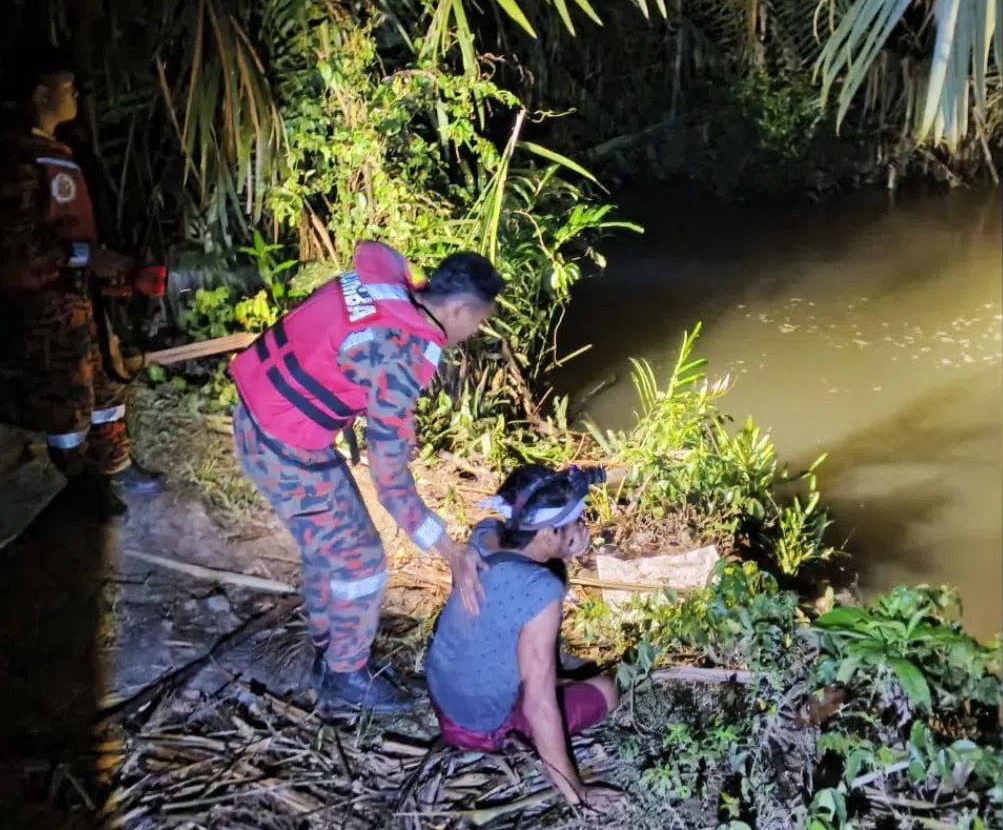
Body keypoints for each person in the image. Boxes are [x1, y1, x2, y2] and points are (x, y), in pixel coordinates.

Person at [229, 240, 504, 713]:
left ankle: (324, 644)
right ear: (458, 308)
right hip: (283, 447)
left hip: (261, 416)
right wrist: (451, 553)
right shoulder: (397, 358)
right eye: (477, 321)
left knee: (330, 543)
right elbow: (392, 485)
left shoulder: (378, 285)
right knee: (362, 563)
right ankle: (345, 679)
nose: (474, 331)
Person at [0, 48, 165, 514]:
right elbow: (15, 251)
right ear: (38, 93)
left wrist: (112, 271)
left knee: (106, 386)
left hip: (80, 298)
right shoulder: (14, 159)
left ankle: (114, 465)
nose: (75, 94)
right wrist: (84, 257)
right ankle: (75, 485)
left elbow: (75, 229)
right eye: (65, 85)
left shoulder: (61, 153)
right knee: (64, 398)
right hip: (45, 306)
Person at [425, 464, 624, 811]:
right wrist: (578, 792)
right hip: (475, 727)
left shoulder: (483, 536)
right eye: (576, 521)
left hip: (443, 696)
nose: (583, 527)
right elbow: (539, 707)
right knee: (606, 690)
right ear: (547, 532)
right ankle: (505, 735)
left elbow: (495, 536)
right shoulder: (541, 589)